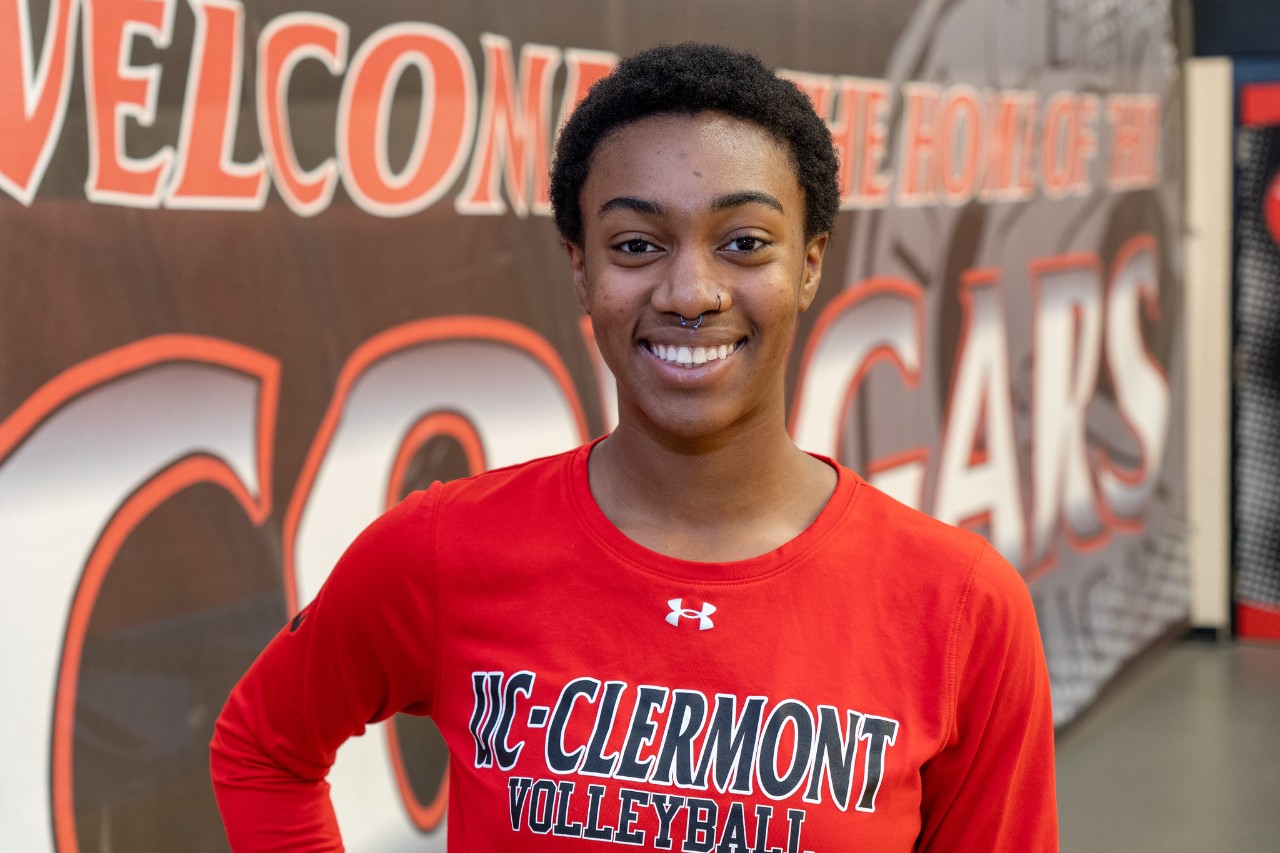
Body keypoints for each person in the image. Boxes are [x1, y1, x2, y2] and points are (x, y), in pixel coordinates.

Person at [211, 42, 1058, 851]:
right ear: (581, 270)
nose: (690, 292)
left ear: (808, 264)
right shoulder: (443, 549)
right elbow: (261, 747)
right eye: (636, 246)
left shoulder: (961, 606)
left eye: (744, 242)